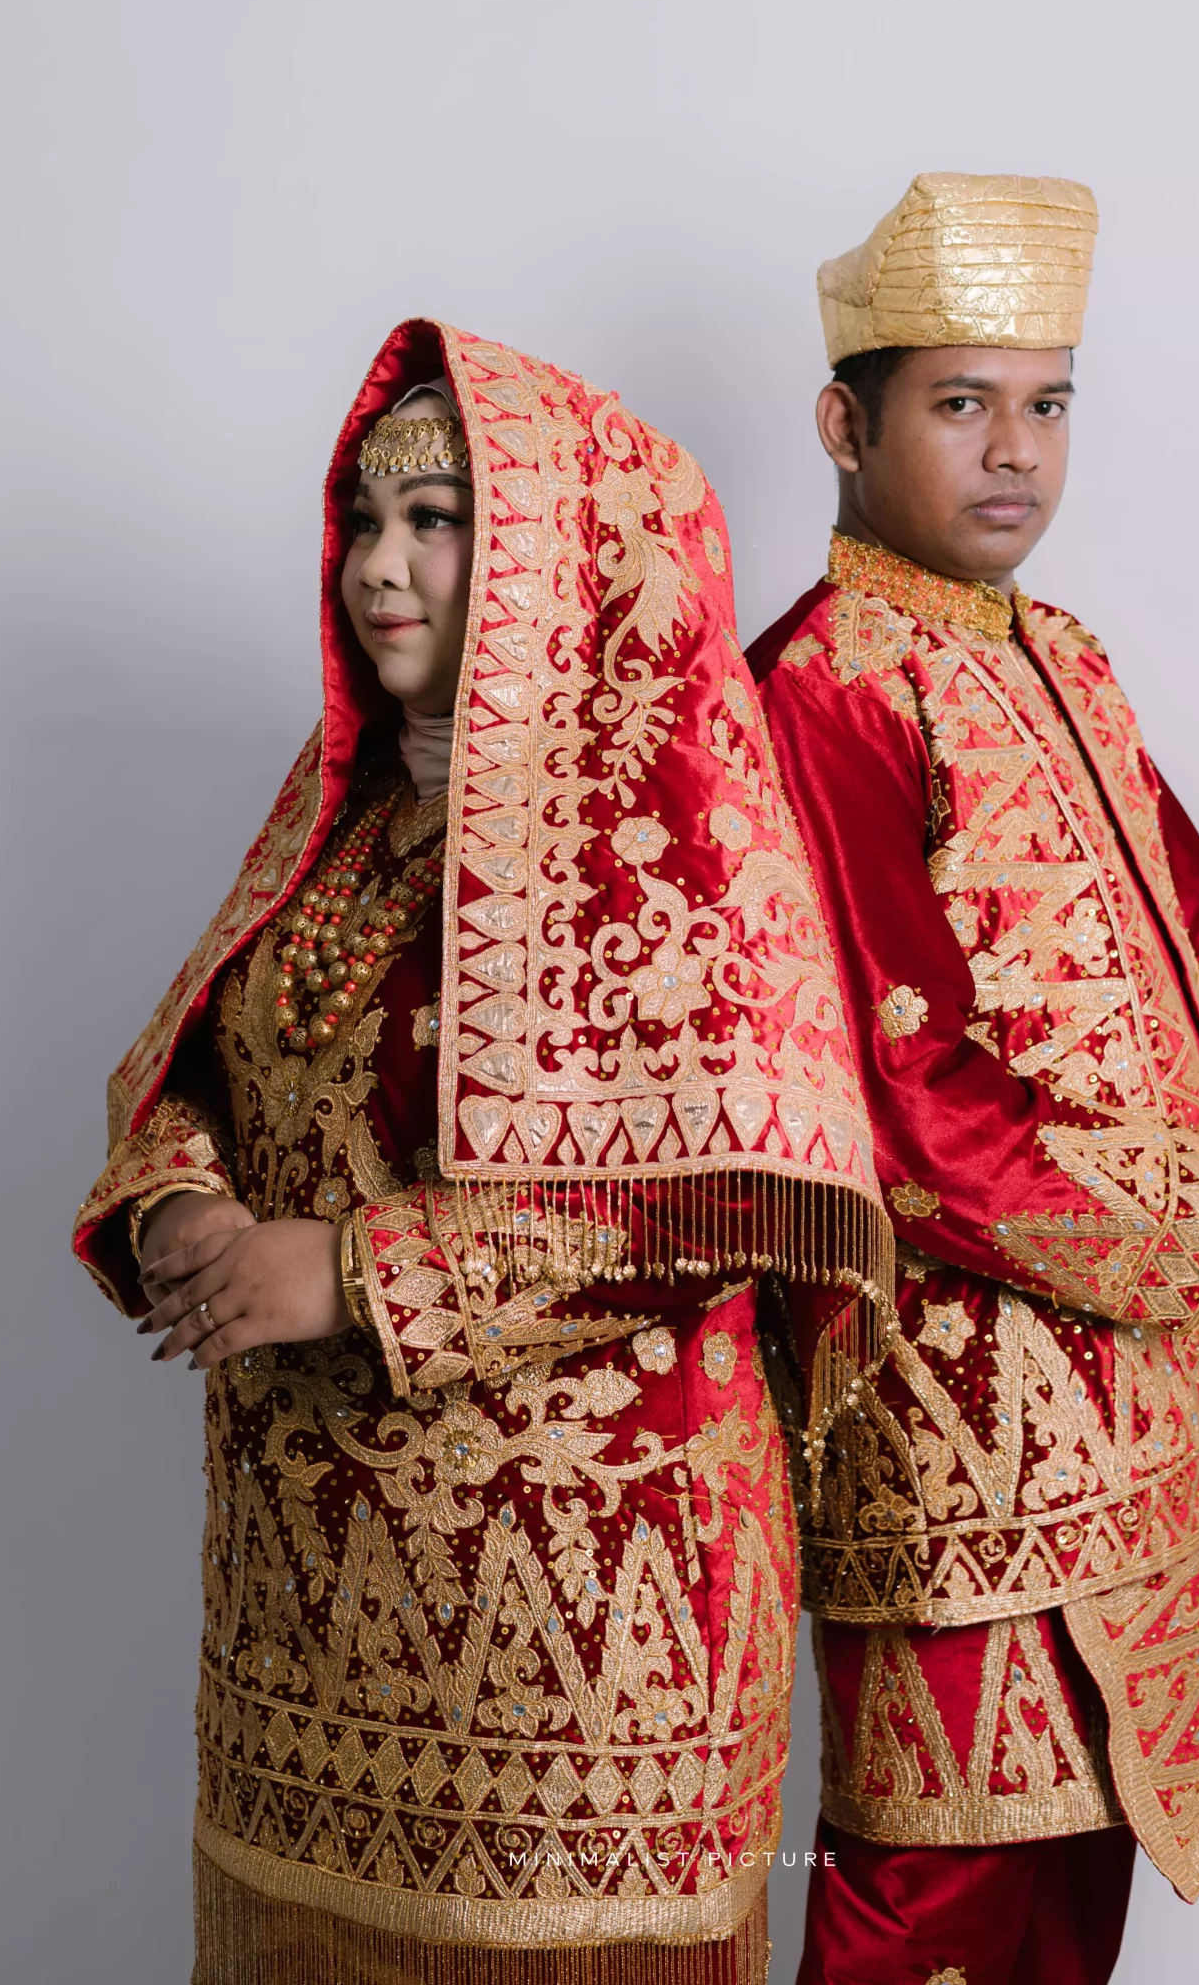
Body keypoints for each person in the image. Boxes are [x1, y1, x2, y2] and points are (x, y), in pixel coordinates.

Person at [73, 320, 894, 1985]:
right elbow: (203, 1065)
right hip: (311, 1623)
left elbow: (720, 1197)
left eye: (436, 522)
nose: (380, 567)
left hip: (584, 1653)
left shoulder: (657, 827)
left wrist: (354, 1272)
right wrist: (175, 1202)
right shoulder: (345, 811)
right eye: (366, 523)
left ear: (550, 545)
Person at [747, 177, 1199, 1985]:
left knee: (1070, 1925)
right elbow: (905, 1114)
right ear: (844, 425)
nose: (1016, 450)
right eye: (961, 403)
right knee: (929, 1921)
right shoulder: (821, 688)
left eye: (1048, 402)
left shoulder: (1062, 658)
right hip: (953, 1459)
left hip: (1144, 1441)